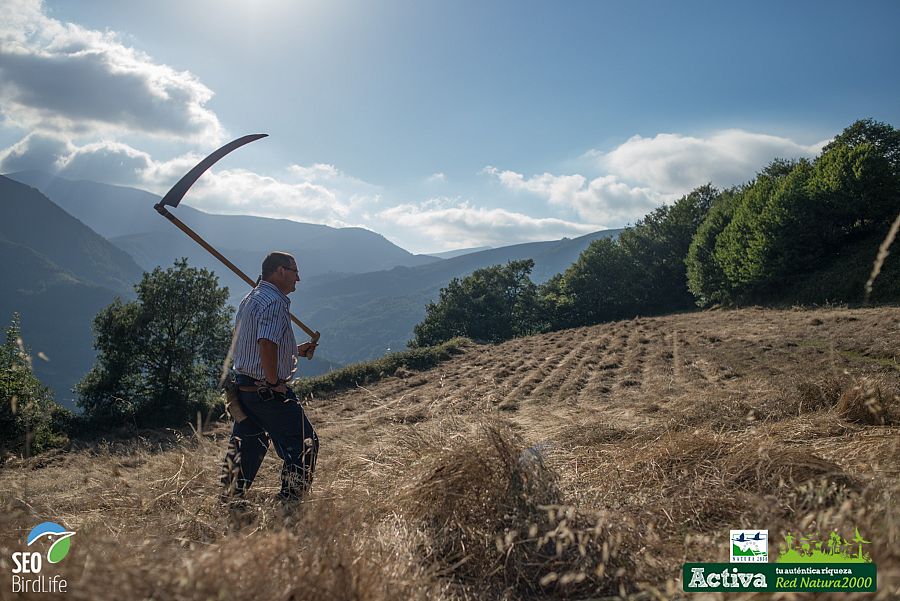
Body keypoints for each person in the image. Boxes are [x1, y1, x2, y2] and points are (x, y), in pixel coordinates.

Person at [221, 251, 320, 504]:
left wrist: (295, 350)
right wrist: (275, 382)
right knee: (304, 443)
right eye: (294, 271)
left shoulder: (250, 298)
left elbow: (256, 344)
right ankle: (291, 504)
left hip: (245, 387)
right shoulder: (274, 301)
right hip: (265, 390)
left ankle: (230, 498)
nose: (298, 278)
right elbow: (265, 343)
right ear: (280, 271)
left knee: (249, 444)